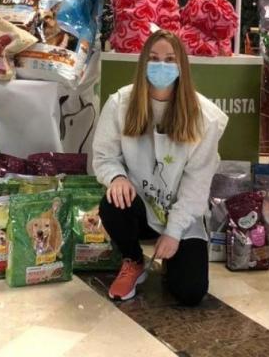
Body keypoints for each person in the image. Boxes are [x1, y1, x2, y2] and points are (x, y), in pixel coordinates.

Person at [92, 30, 229, 305]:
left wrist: (174, 232)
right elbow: (104, 156)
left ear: (182, 66)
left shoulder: (205, 118)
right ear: (143, 62)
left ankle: (171, 257)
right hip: (140, 207)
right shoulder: (121, 102)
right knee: (113, 201)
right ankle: (133, 259)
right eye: (154, 58)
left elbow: (196, 187)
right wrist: (116, 177)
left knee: (190, 293)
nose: (161, 66)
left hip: (181, 215)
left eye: (170, 59)